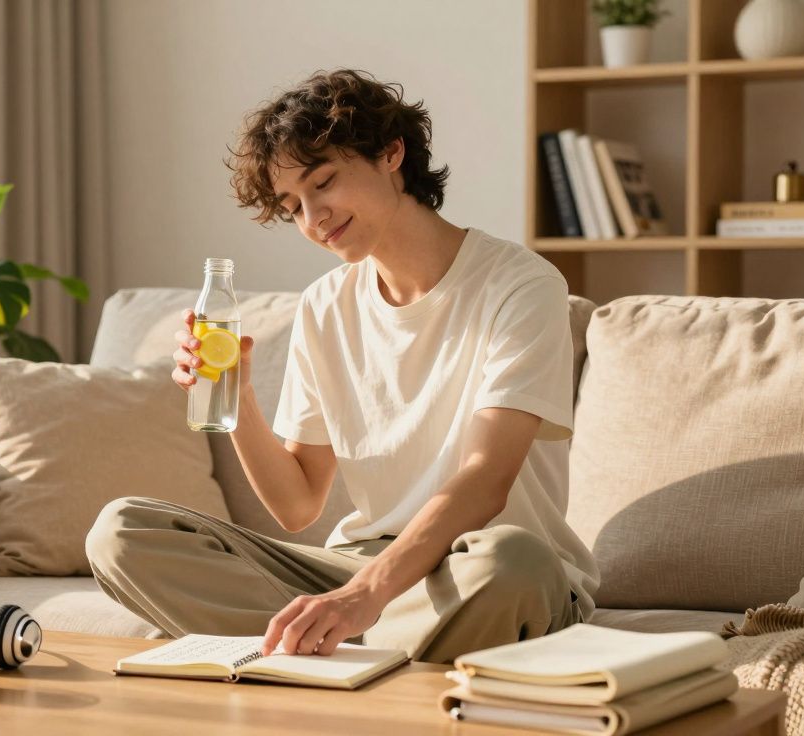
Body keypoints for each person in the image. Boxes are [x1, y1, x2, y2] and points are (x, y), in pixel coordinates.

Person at [85, 68, 599, 665]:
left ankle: (320, 650)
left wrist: (362, 598)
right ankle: (359, 652)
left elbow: (486, 482)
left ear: (391, 153)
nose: (313, 219)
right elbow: (298, 503)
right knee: (121, 533)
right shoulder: (325, 304)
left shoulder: (520, 285)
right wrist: (239, 397)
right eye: (292, 206)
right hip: (360, 567)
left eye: (323, 182)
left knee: (513, 563)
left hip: (475, 570)